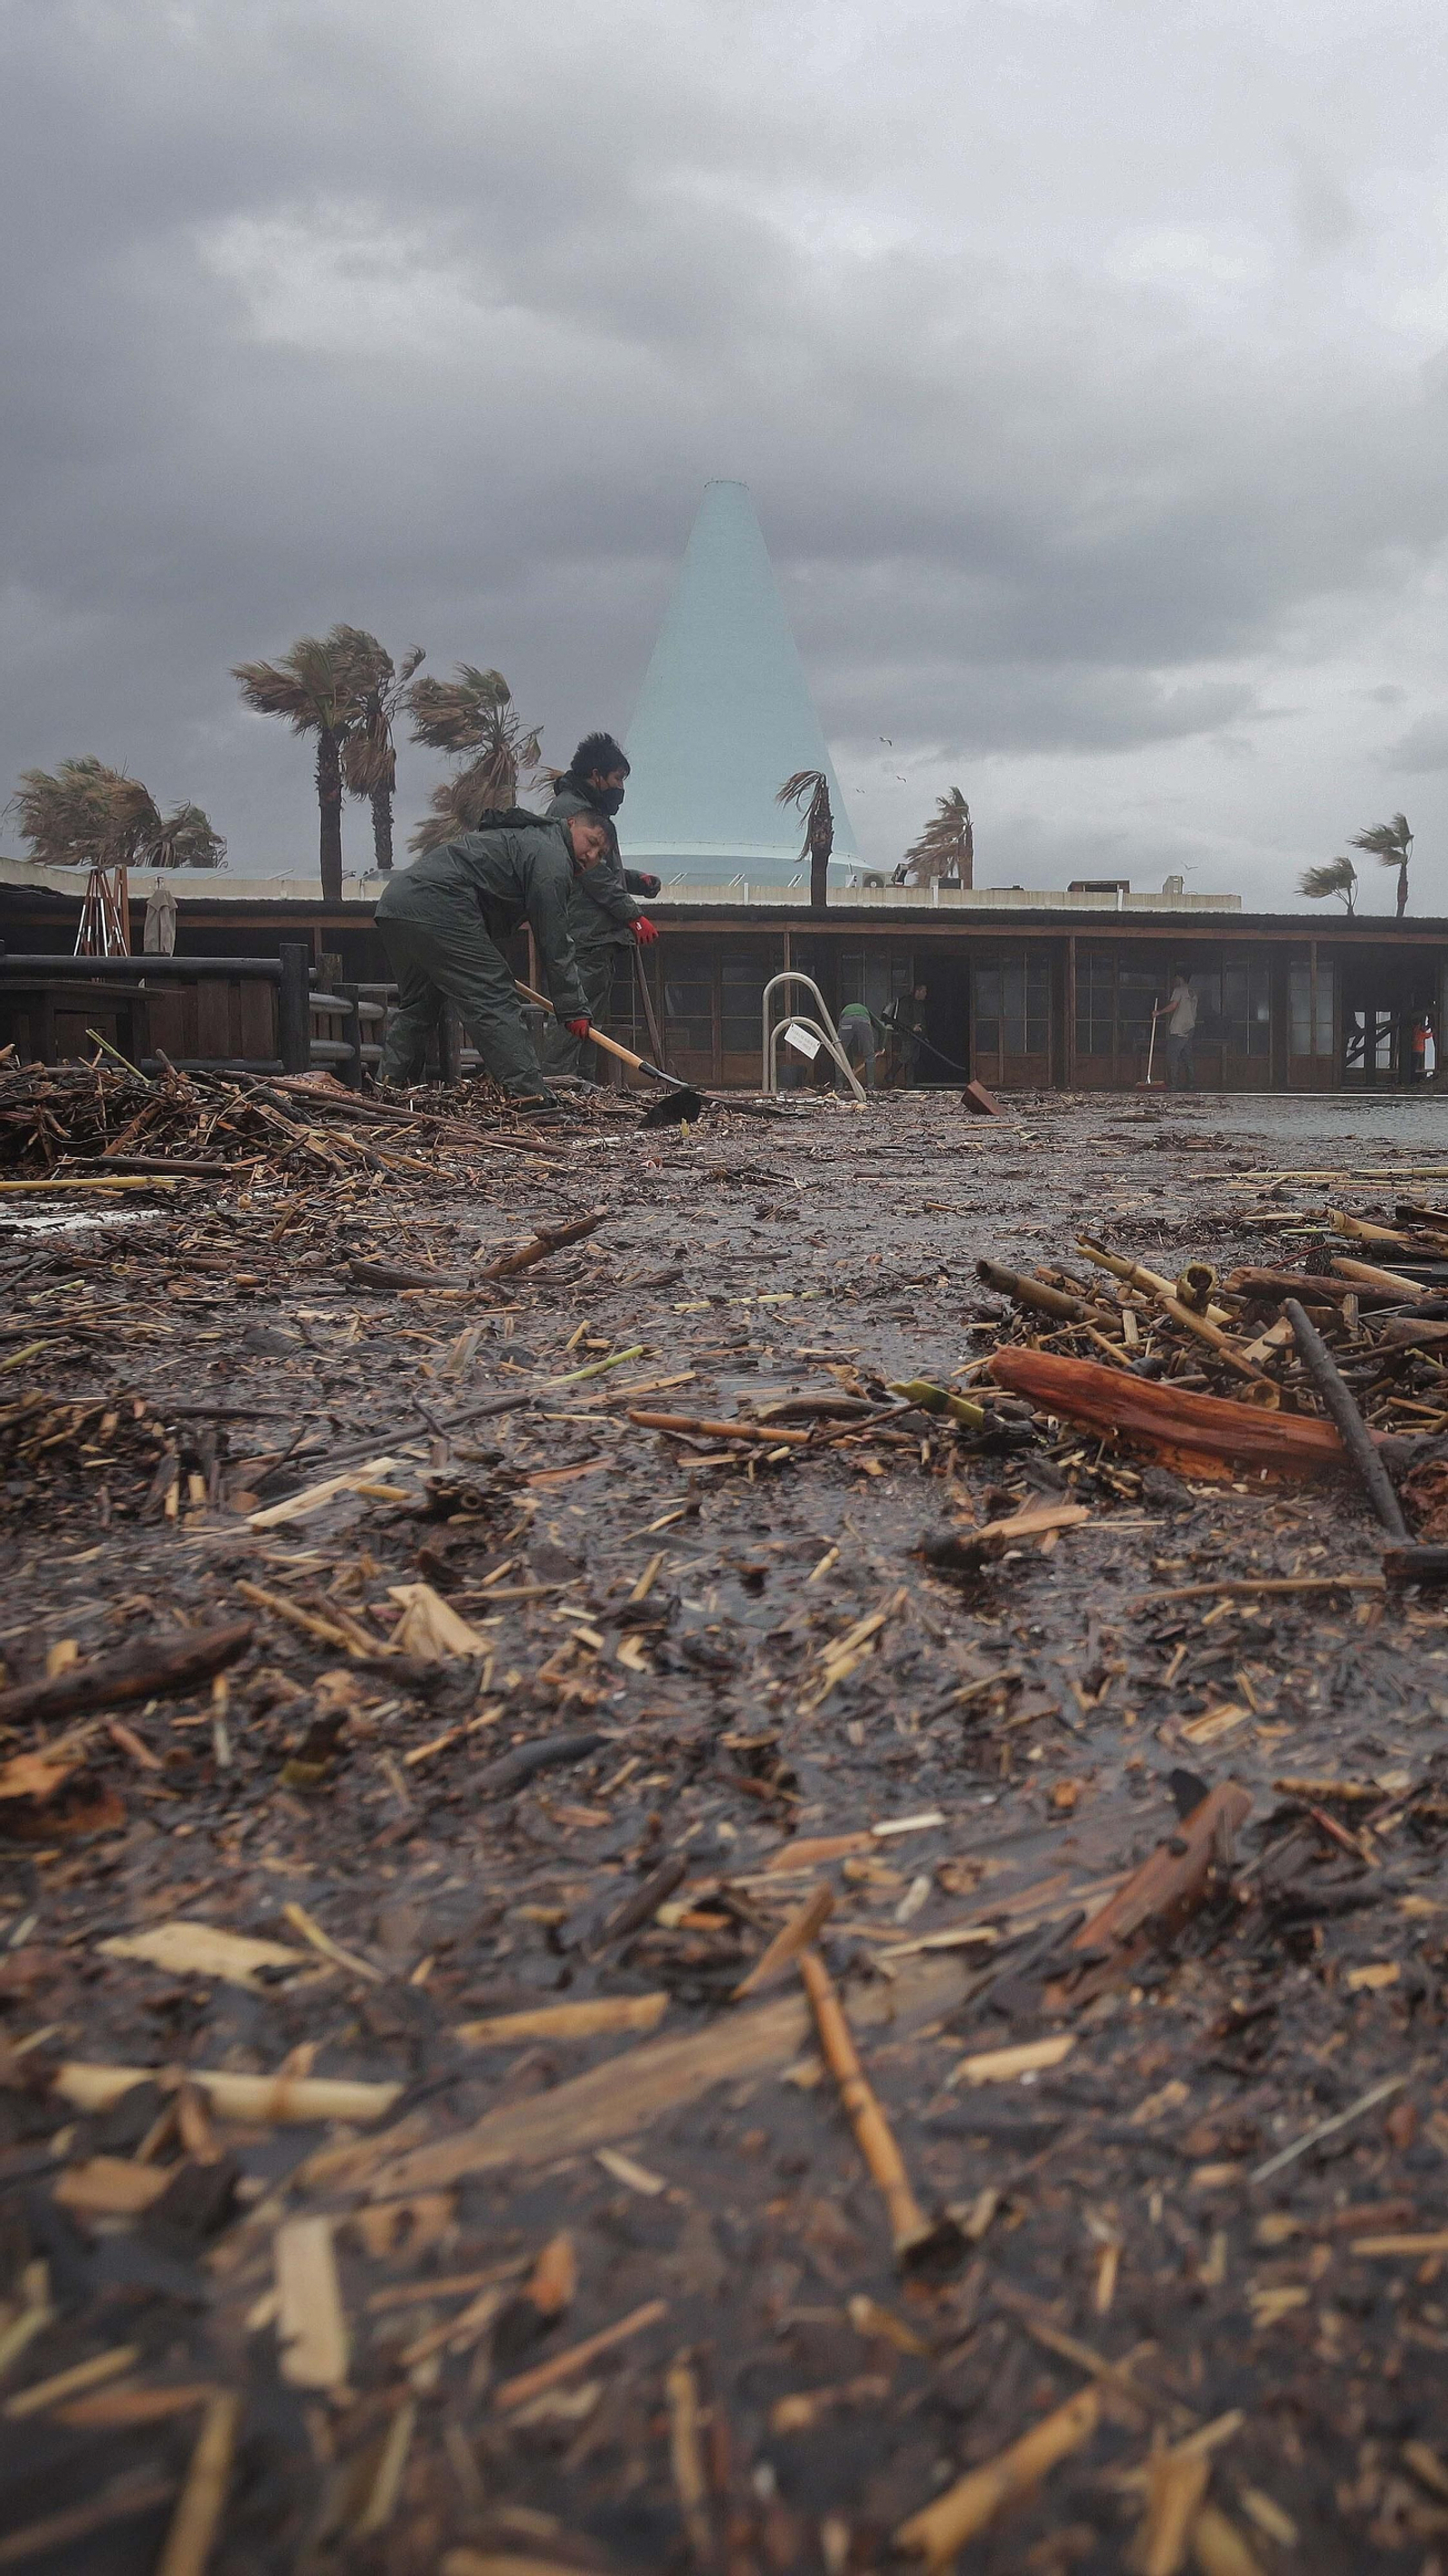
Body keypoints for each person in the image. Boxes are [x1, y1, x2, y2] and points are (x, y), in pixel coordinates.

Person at [375, 808, 606, 1106]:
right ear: (571, 823)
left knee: (420, 1005)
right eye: (591, 842)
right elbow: (554, 939)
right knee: (494, 994)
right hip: (439, 902)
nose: (591, 855)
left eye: (600, 855)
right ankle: (531, 1098)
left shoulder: (531, 841)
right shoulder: (552, 858)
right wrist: (573, 1008)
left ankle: (387, 1091)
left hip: (397, 903)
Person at [542, 732, 662, 1083]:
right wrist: (632, 914)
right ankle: (554, 1086)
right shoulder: (572, 812)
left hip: (596, 937)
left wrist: (635, 881)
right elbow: (590, 873)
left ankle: (580, 1087)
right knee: (572, 1020)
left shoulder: (587, 811)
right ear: (597, 775)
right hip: (583, 936)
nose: (620, 788)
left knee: (588, 1025)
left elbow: (600, 869)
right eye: (617, 779)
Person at [1154, 972, 1197, 1088]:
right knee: (1187, 1056)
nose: (1174, 980)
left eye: (1176, 977)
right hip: (1190, 1027)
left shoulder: (1179, 990)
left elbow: (1173, 1005)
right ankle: (1191, 1084)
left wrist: (1159, 1012)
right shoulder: (1193, 992)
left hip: (1179, 1028)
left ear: (1180, 977)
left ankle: (1173, 1084)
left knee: (1172, 1055)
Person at [835, 998, 887, 1093]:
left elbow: (846, 1046)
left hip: (846, 1022)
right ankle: (870, 1087)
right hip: (863, 1023)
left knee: (839, 1053)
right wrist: (881, 1047)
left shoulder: (844, 1013)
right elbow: (883, 1029)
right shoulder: (866, 1011)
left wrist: (851, 1066)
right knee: (870, 1055)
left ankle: (839, 1086)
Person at [882, 983, 929, 1086]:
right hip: (907, 1034)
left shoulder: (920, 1004)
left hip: (918, 1036)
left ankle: (910, 1082)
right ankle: (890, 1075)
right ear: (918, 991)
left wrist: (924, 1035)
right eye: (924, 991)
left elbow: (922, 1020)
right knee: (906, 1055)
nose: (925, 994)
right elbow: (902, 1018)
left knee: (913, 1058)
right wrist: (912, 1026)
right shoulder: (906, 1002)